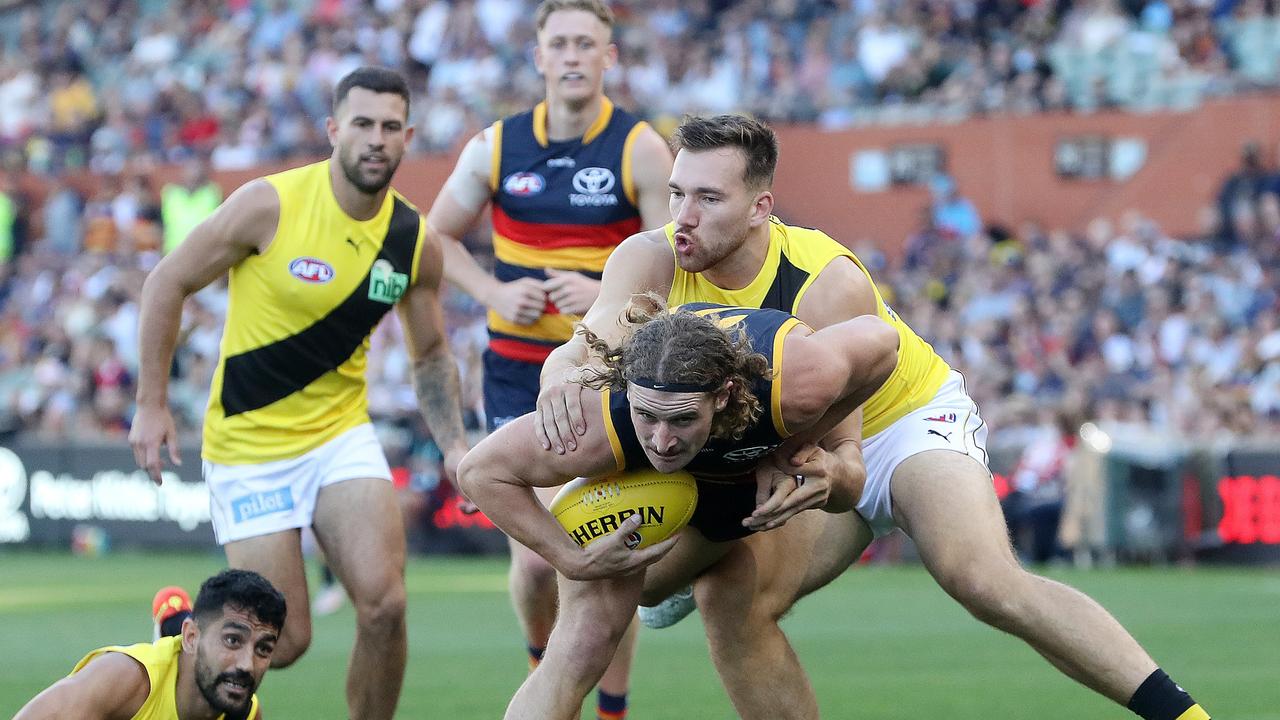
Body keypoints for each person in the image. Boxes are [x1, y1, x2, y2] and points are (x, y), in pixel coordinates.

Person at [535, 114, 1211, 720]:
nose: (682, 214)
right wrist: (558, 380)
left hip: (897, 422)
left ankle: (1182, 715)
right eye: (679, 192)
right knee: (730, 600)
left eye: (709, 199)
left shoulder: (827, 281)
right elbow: (588, 343)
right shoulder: (647, 260)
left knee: (980, 578)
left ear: (759, 208)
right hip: (781, 441)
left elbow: (848, 467)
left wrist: (807, 481)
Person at [128, 67, 471, 720]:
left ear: (410, 137)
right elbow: (166, 281)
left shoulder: (413, 241)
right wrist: (151, 402)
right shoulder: (270, 204)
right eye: (362, 124)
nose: (376, 139)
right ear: (333, 130)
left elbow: (430, 354)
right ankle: (179, 634)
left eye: (390, 127)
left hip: (340, 435)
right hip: (250, 445)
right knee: (281, 644)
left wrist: (454, 443)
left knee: (386, 603)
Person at [459, 298, 901, 720]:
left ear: (725, 395)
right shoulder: (597, 419)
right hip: (644, 488)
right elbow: (479, 472)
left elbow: (883, 340)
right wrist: (570, 558)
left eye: (683, 418)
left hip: (738, 489)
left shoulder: (795, 385)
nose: (661, 440)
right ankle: (662, 584)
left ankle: (679, 579)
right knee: (580, 645)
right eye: (646, 415)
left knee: (725, 595)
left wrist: (814, 442)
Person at [424, 1, 672, 716]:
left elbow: (672, 266)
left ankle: (610, 707)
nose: (571, 56)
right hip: (516, 370)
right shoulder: (495, 148)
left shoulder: (639, 149)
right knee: (536, 564)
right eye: (558, 43)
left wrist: (602, 291)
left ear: (608, 57)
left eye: (585, 44)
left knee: (606, 546)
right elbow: (435, 238)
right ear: (537, 56)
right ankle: (547, 670)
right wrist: (494, 290)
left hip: (607, 373)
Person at [15, 569, 286, 720]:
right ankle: (174, 619)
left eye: (263, 648)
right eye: (232, 641)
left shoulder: (245, 712)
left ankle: (173, 618)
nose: (246, 665)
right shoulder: (126, 679)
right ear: (191, 636)